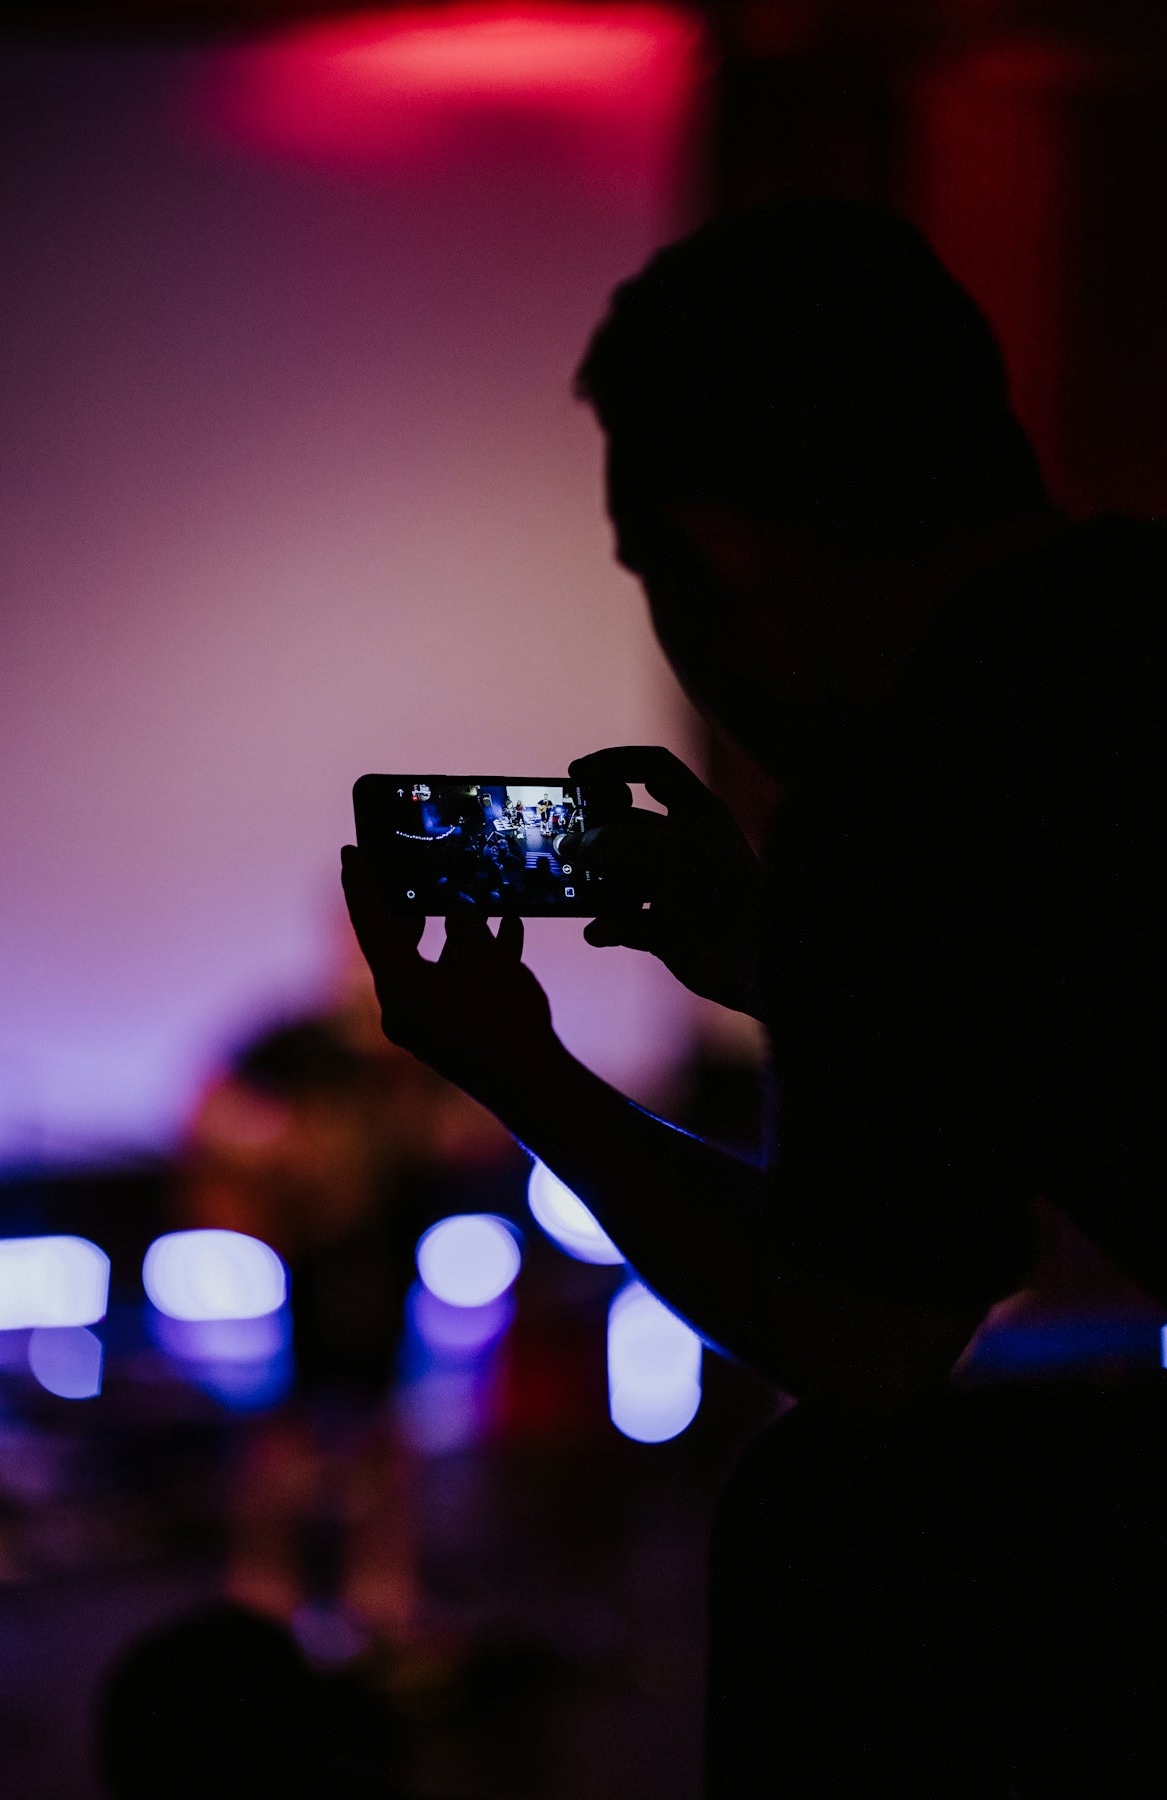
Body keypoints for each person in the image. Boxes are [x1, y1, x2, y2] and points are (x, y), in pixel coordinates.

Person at [342, 200, 1167, 1795]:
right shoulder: (1119, 628)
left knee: (824, 1518)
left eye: (649, 571)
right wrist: (779, 956)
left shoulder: (914, 802)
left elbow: (861, 1339)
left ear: (732, 564)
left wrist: (532, 1079)